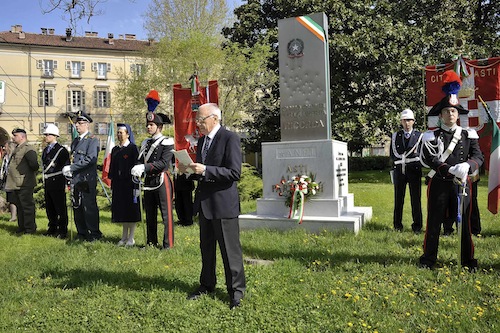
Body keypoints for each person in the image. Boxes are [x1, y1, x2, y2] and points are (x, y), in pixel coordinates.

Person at [180, 103, 246, 310]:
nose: (197, 124)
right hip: (205, 204)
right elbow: (203, 173)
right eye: (197, 120)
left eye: (201, 120)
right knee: (206, 249)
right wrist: (189, 170)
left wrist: (206, 169)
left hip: (224, 205)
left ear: (214, 118)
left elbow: (234, 173)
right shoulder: (202, 142)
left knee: (229, 251)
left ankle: (236, 292)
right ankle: (207, 284)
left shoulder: (230, 138)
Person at [419, 88, 483, 270]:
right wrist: (448, 168)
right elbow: (429, 158)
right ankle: (428, 259)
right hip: (439, 183)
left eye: (453, 111)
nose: (450, 114)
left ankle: (468, 260)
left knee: (465, 224)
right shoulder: (431, 136)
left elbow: (479, 156)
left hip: (462, 184)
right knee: (433, 222)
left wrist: (468, 165)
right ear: (440, 115)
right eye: (446, 111)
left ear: (458, 114)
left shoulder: (468, 135)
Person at [131, 111, 175, 249]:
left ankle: (168, 245)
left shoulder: (167, 142)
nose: (148, 127)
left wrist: (144, 167)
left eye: (151, 125)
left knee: (166, 215)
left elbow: (163, 163)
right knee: (150, 214)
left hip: (162, 180)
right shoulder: (145, 143)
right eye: (148, 125)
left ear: (159, 127)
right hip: (148, 182)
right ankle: (151, 243)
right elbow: (139, 160)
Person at [62, 112, 102, 241]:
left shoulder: (92, 140)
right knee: (77, 205)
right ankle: (81, 232)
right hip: (76, 178)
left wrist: (72, 168)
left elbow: (90, 159)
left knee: (88, 205)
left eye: (80, 123)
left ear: (87, 125)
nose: (77, 126)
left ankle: (94, 233)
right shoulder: (76, 141)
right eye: (76, 123)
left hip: (86, 178)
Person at [390, 109, 423, 233]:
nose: (407, 123)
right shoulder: (395, 136)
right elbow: (393, 155)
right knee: (398, 199)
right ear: (401, 122)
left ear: (413, 121)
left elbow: (422, 153)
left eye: (409, 120)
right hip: (400, 170)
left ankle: (417, 226)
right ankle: (397, 225)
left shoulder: (420, 136)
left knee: (416, 199)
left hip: (414, 169)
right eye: (404, 120)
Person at [109, 123, 141, 246]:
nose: (119, 134)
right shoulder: (115, 149)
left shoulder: (132, 148)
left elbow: (136, 165)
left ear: (127, 134)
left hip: (129, 184)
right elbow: (112, 167)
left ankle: (131, 237)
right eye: (117, 132)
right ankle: (124, 236)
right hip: (118, 184)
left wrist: (136, 185)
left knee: (130, 211)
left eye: (121, 132)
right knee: (122, 210)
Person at [4, 128, 39, 234]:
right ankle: (22, 227)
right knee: (19, 206)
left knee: (27, 206)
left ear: (22, 137)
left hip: (24, 183)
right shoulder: (17, 148)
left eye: (15, 136)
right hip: (16, 183)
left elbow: (34, 165)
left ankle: (30, 229)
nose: (13, 137)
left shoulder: (28, 148)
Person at [41, 124, 70, 238]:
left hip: (57, 180)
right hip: (48, 181)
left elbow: (66, 167)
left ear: (55, 136)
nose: (46, 136)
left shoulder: (61, 150)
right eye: (46, 134)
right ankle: (52, 227)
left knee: (60, 207)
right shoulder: (45, 150)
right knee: (50, 207)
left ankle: (62, 230)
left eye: (48, 134)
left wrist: (67, 183)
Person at [1, 141, 17, 221]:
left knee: (14, 199)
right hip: (7, 180)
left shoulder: (14, 157)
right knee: (10, 199)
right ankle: (13, 217)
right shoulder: (5, 157)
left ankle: (16, 216)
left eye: (5, 146)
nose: (4, 148)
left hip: (14, 180)